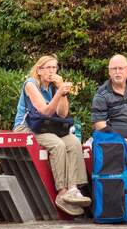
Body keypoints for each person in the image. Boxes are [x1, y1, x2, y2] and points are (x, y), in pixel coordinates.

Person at [12, 55, 89, 215]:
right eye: (48, 68)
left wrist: (62, 93)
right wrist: (58, 92)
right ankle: (61, 192)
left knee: (74, 142)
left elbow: (62, 114)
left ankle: (73, 189)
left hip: (47, 127)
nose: (51, 71)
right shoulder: (31, 84)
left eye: (54, 68)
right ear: (39, 70)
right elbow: (45, 111)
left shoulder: (54, 86)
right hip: (26, 127)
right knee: (58, 144)